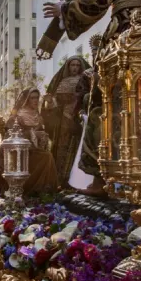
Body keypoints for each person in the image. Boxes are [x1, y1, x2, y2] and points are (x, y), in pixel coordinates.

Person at [0, 88, 59, 196]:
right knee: (47, 157)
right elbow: (9, 137)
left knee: (48, 155)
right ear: (26, 100)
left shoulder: (37, 115)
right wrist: (33, 135)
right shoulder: (18, 116)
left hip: (35, 150)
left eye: (37, 98)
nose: (35, 100)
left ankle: (44, 190)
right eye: (32, 98)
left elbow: (49, 127)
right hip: (20, 153)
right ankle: (37, 190)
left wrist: (42, 135)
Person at [42, 55, 92, 187]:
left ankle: (78, 181)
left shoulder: (85, 81)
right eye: (72, 65)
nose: (75, 68)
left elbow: (88, 100)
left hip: (79, 119)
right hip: (63, 120)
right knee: (62, 147)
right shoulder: (62, 81)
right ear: (68, 67)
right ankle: (61, 179)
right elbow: (55, 105)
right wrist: (49, 102)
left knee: (78, 147)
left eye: (77, 65)